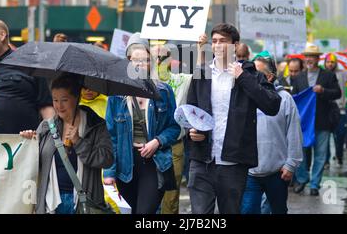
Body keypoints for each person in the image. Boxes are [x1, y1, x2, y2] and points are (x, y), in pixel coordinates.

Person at [186, 23, 281, 214]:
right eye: (214, 42)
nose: (218, 46)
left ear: (235, 45)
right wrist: (192, 132)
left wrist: (243, 77)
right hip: (202, 160)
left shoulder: (250, 73)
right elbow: (190, 111)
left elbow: (272, 105)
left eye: (223, 41)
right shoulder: (201, 73)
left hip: (233, 163)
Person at [103, 33, 181, 214]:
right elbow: (111, 136)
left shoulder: (163, 91)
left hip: (154, 163)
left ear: (150, 62)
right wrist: (109, 173)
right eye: (135, 60)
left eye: (144, 59)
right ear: (128, 61)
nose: (139, 64)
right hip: (125, 165)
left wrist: (158, 141)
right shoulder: (116, 95)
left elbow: (174, 127)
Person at [20, 74, 114, 214]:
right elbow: (32, 163)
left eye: (64, 100)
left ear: (77, 98)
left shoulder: (96, 125)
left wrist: (79, 142)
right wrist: (29, 142)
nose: (59, 106)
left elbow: (107, 159)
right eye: (55, 100)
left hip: (85, 203)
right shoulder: (46, 126)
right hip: (51, 203)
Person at [149, 37, 207, 214]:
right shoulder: (142, 81)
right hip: (146, 144)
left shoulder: (180, 80)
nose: (160, 60)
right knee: (146, 194)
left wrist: (201, 48)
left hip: (173, 145)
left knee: (170, 196)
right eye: (156, 57)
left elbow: (198, 74)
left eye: (163, 57)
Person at [241, 51, 303, 214]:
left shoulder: (284, 99)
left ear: (269, 77)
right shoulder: (244, 98)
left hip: (277, 172)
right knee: (247, 211)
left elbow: (294, 133)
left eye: (257, 74)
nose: (251, 77)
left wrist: (291, 164)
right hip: (249, 173)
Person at [291, 45, 341, 196]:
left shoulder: (328, 76)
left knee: (320, 154)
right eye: (307, 56)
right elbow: (294, 98)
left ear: (318, 58)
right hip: (304, 123)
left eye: (312, 56)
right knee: (300, 153)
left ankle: (315, 184)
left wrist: (323, 91)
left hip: (322, 121)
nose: (309, 59)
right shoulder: (298, 77)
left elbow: (337, 93)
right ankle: (302, 178)